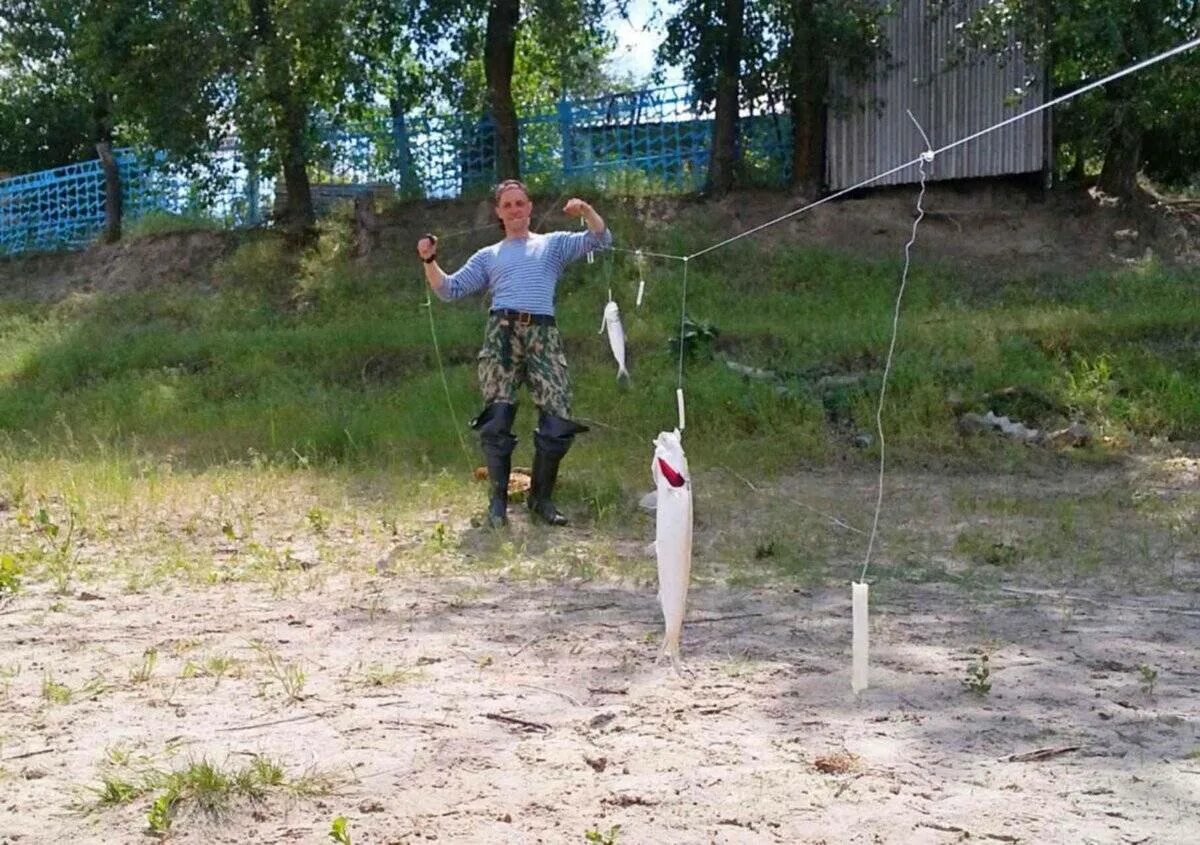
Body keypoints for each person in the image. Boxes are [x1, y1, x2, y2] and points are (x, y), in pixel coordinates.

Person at [417, 179, 613, 528]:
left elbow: (600, 239)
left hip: (543, 334)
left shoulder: (553, 245)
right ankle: (498, 504)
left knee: (557, 419)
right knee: (498, 418)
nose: (514, 210)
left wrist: (585, 211)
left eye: (519, 203)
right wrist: (429, 259)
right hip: (501, 335)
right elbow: (449, 289)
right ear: (498, 213)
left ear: (530, 207)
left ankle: (541, 500)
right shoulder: (488, 255)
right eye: (507, 205)